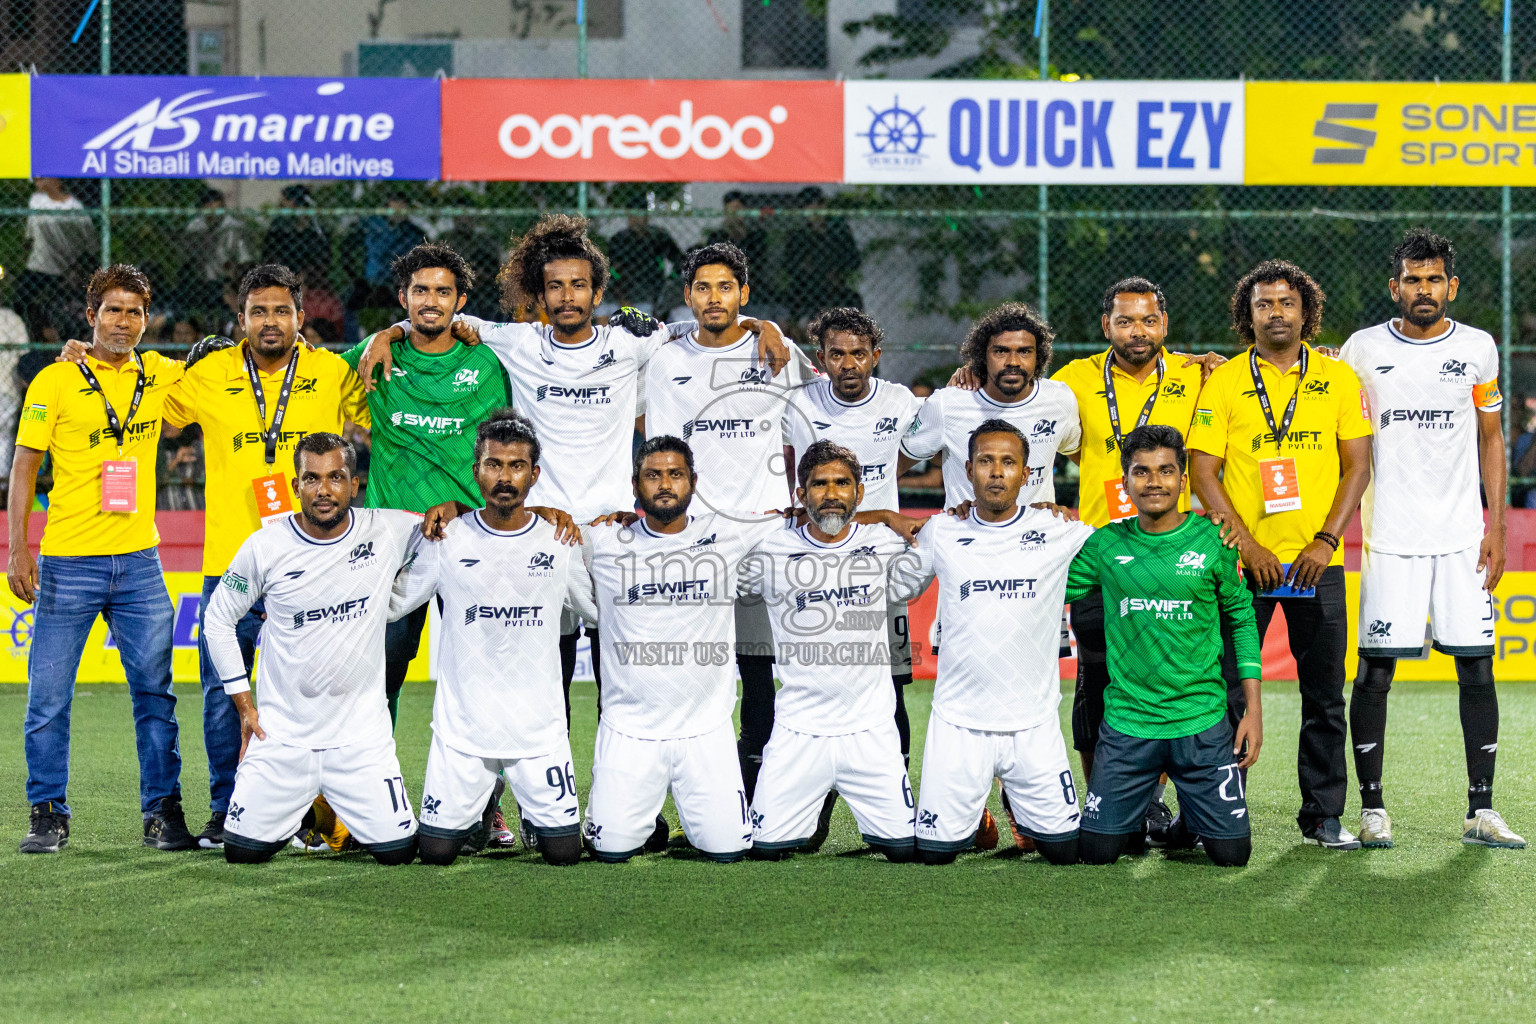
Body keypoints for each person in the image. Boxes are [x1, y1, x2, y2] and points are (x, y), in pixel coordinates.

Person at [356, 216, 790, 739]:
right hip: (545, 531)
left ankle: (625, 798)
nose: (567, 296)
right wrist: (391, 330)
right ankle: (549, 800)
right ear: (540, 294)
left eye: (579, 285)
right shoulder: (516, 342)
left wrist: (767, 326)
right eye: (556, 286)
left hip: (615, 531)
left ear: (597, 291)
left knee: (622, 672)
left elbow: (706, 321)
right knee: (546, 673)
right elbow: (443, 318)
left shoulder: (632, 344)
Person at [54, 264, 372, 850]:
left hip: (311, 566)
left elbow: (385, 414)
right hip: (230, 565)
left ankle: (306, 817)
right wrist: (87, 353)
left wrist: (391, 335)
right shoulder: (209, 373)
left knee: (308, 695)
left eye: (281, 310)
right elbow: (136, 391)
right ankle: (227, 810)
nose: (269, 321)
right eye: (258, 311)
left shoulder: (332, 372)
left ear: (301, 318)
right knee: (225, 699)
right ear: (241, 320)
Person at [1339, 228, 1524, 849]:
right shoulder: (1360, 351)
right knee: (1376, 672)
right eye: (1412, 280)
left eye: (1434, 279)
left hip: (1461, 539)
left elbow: (1492, 437)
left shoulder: (1477, 348)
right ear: (1394, 287)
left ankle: (1482, 811)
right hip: (1389, 537)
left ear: (1452, 286)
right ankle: (1372, 809)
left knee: (1476, 667)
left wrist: (1495, 525)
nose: (1424, 289)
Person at [1188, 260, 1373, 851]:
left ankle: (1322, 817)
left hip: (1317, 566)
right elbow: (1203, 470)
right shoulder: (1223, 381)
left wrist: (1324, 541)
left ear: (1305, 311)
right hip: (1242, 565)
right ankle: (1219, 810)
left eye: (1286, 303)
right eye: (1264, 304)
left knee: (1323, 696)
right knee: (1222, 691)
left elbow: (1358, 465)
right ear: (1249, 314)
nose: (1276, 313)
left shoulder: (1339, 378)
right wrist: (1246, 542)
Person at [10, 265, 194, 855]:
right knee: (49, 697)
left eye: (135, 312)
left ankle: (163, 815)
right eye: (112, 310)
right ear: (90, 315)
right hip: (67, 559)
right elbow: (24, 467)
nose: (124, 321)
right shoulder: (52, 381)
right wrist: (19, 547)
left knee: (155, 695)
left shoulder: (162, 374)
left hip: (140, 561)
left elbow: (221, 372)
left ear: (147, 319)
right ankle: (47, 813)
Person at [205, 433, 422, 865]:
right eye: (312, 479)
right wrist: (245, 706)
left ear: (355, 484)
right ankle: (302, 813)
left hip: (360, 739)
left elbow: (445, 531)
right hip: (283, 736)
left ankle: (323, 813)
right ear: (296, 486)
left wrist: (448, 511)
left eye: (336, 478)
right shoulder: (265, 545)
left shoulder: (390, 527)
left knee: (398, 852)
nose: (324, 490)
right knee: (241, 851)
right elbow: (217, 619)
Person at [391, 410, 595, 866]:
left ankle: (517, 812)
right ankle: (481, 817)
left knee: (564, 854)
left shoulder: (559, 541)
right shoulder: (447, 538)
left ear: (534, 474)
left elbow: (599, 610)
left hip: (538, 730)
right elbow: (394, 603)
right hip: (463, 730)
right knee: (436, 852)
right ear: (476, 471)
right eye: (495, 465)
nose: (505, 477)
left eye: (517, 465)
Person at [642, 242, 807, 802]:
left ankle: (762, 787)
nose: (714, 298)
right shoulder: (666, 362)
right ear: (687, 296)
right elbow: (661, 451)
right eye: (703, 288)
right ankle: (696, 794)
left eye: (725, 287)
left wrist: (769, 328)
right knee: (697, 671)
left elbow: (814, 424)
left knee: (765, 667)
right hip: (697, 539)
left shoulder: (777, 354)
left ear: (745, 293)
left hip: (766, 533)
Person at [1050, 277, 1211, 840]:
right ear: (1106, 326)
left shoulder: (1197, 375)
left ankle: (1157, 802)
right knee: (1095, 681)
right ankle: (1106, 800)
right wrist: (970, 372)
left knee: (1171, 680)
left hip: (1176, 557)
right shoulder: (1071, 382)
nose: (1136, 332)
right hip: (1100, 560)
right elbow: (1017, 415)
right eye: (1125, 321)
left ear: (1164, 325)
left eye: (1147, 321)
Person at [580, 436, 787, 862]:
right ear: (635, 484)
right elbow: (530, 531)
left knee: (728, 847)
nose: (664, 484)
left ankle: (698, 818)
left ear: (693, 481)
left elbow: (804, 515)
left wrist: (888, 519)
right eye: (653, 475)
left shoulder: (726, 533)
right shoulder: (600, 541)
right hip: (629, 729)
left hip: (705, 730)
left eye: (675, 474)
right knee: (609, 848)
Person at [1069, 424, 1263, 867]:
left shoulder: (1215, 539)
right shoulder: (1105, 545)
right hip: (1128, 724)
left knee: (1233, 856)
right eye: (1141, 472)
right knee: (1097, 854)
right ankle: (1136, 815)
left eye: (1165, 471)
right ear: (1125, 482)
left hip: (1201, 722)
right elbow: (1045, 587)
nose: (1154, 482)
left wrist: (1252, 711)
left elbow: (1243, 620)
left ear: (1183, 479)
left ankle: (1190, 818)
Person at [899, 420, 1092, 865]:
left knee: (1064, 853)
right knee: (933, 855)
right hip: (958, 723)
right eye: (986, 461)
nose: (997, 472)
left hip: (1033, 724)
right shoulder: (942, 532)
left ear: (1027, 474)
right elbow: (896, 587)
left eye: (1009, 462)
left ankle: (1023, 814)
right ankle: (975, 821)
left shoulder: (1059, 529)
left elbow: (1127, 546)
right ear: (968, 470)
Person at [341, 243, 511, 731]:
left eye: (443, 291)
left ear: (461, 302)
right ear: (403, 297)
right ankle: (374, 796)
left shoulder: (489, 363)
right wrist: (383, 336)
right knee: (380, 679)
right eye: (420, 290)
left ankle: (483, 805)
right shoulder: (375, 357)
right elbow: (316, 374)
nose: (430, 300)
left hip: (469, 534)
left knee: (478, 678)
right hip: (392, 540)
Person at [780, 308, 923, 844]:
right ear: (822, 358)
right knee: (818, 681)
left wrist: (879, 515)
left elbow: (907, 457)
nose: (848, 363)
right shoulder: (801, 403)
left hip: (878, 569)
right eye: (836, 353)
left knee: (891, 686)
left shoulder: (900, 402)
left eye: (858, 353)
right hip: (813, 568)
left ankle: (892, 798)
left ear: (875, 356)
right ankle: (812, 806)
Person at [744, 442, 917, 862]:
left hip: (870, 730)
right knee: (765, 849)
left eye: (842, 483)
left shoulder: (886, 544)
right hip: (798, 731)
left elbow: (952, 540)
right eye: (818, 484)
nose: (831, 492)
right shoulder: (769, 551)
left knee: (906, 849)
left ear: (859, 492)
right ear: (800, 495)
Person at [900, 302, 1080, 510]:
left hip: (1036, 538)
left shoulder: (1060, 400)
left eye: (1024, 352)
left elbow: (1083, 456)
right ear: (982, 356)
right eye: (1001, 351)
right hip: (967, 537)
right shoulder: (947, 404)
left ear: (1038, 357)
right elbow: (895, 466)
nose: (1013, 361)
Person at [16, 178, 94, 344]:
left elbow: (89, 244)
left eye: (42, 178)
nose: (37, 182)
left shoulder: (75, 207)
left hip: (65, 270)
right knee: (20, 302)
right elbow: (29, 236)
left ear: (56, 180)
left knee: (63, 310)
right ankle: (35, 339)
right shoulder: (36, 201)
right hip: (38, 266)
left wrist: (78, 267)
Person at [782, 187, 862, 322]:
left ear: (823, 206)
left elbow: (854, 260)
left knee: (853, 301)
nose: (811, 212)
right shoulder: (798, 235)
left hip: (835, 286)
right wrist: (804, 266)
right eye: (807, 207)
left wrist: (837, 269)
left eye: (815, 206)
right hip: (806, 287)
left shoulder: (839, 231)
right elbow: (788, 265)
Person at [605, 212, 683, 314]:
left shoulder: (659, 236)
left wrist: (670, 279)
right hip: (622, 288)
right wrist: (620, 293)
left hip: (651, 289)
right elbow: (612, 268)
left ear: (646, 216)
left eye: (639, 215)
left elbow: (679, 261)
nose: (635, 219)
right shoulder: (619, 238)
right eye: (632, 215)